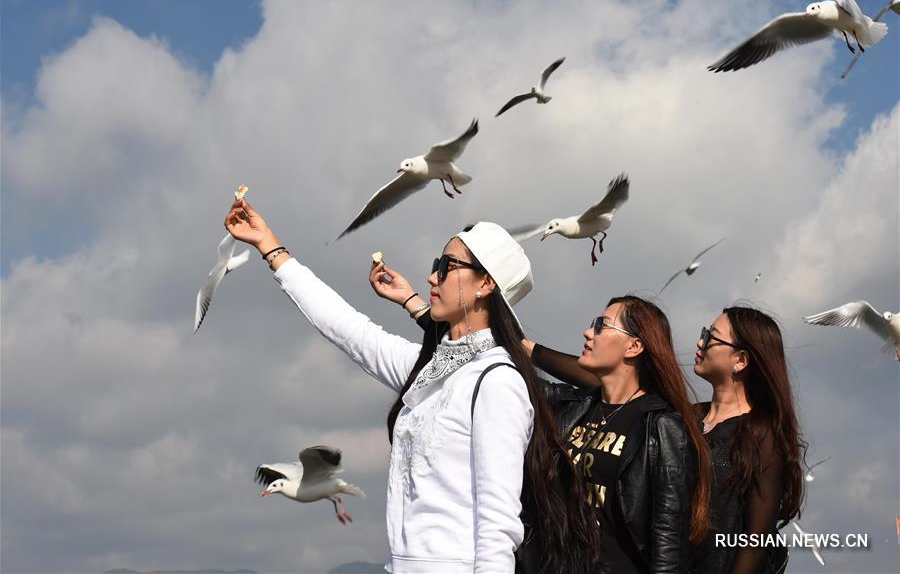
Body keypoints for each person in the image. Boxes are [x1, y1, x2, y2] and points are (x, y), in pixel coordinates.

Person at [225, 198, 599, 574]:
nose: (432, 277)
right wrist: (270, 247)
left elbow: (498, 526)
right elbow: (351, 332)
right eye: (437, 265)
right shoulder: (432, 368)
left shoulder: (497, 381)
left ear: (486, 283)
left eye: (447, 266)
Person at [372, 267, 709, 573]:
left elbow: (668, 542)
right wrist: (414, 304)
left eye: (601, 325)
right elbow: (478, 351)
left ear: (634, 346)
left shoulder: (660, 427)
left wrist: (529, 347)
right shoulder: (569, 406)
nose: (587, 332)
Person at [689, 306, 805, 574]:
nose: (700, 342)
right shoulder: (689, 417)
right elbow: (620, 389)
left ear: (740, 360)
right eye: (703, 333)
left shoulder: (761, 436)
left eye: (711, 337)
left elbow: (756, 544)